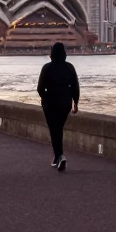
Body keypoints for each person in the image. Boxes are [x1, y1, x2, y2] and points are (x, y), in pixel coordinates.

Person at [37, 42, 80, 172]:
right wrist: (75, 103)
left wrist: (43, 97)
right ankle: (58, 157)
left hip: (50, 102)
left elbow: (40, 87)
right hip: (65, 102)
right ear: (64, 54)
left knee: (54, 129)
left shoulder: (47, 68)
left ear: (52, 54)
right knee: (59, 128)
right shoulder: (70, 67)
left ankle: (59, 156)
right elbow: (75, 86)